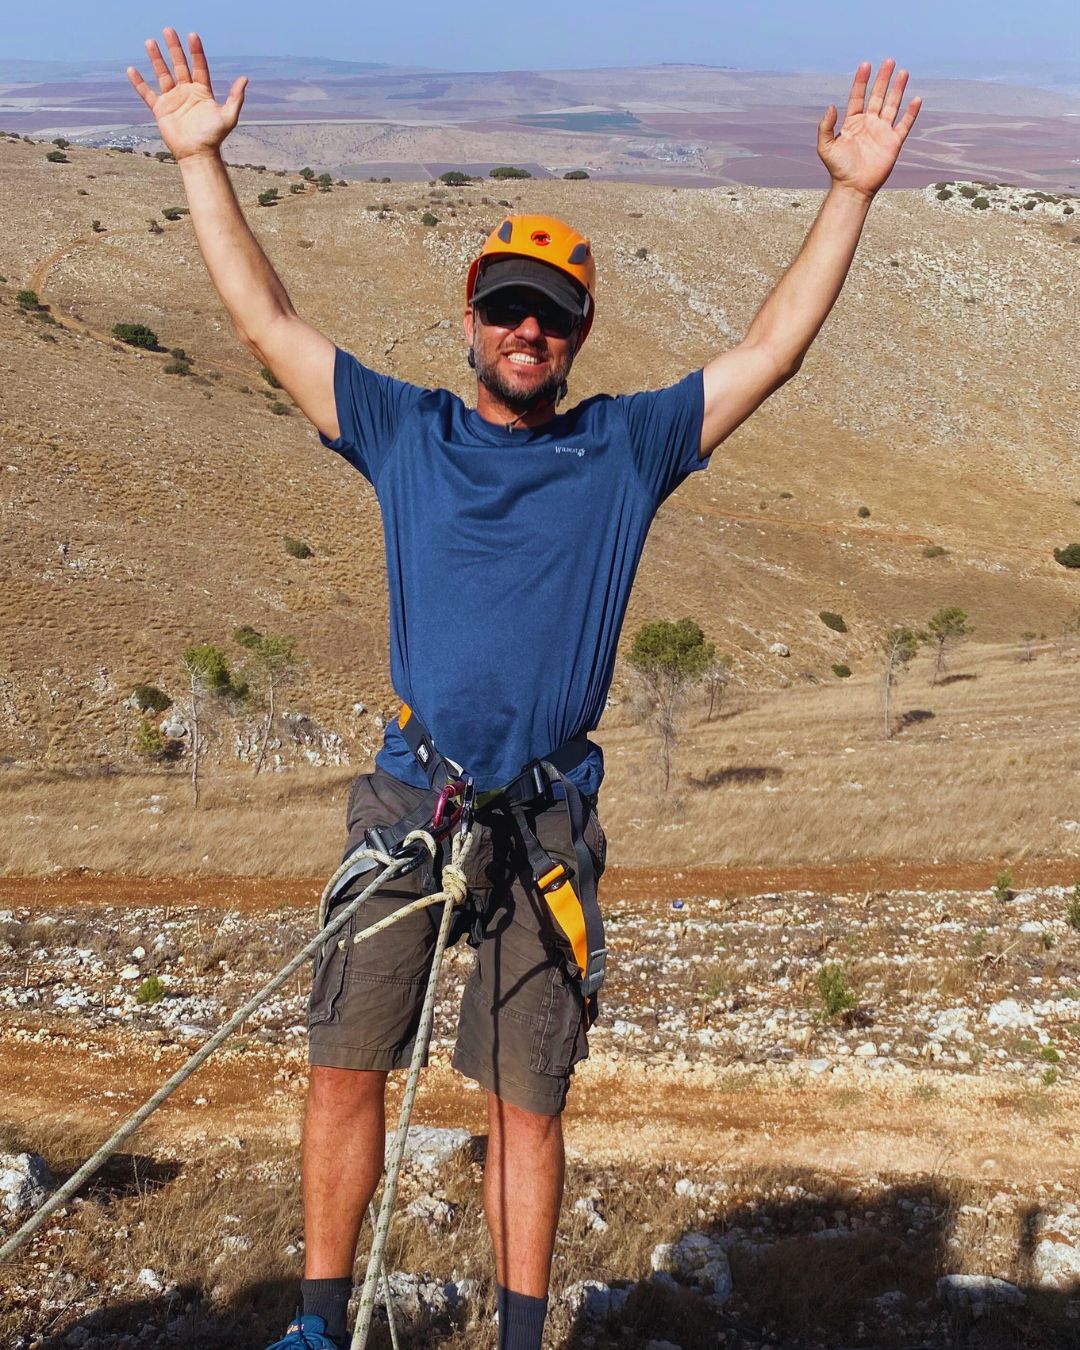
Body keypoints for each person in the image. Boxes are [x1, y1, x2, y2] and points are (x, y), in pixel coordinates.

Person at [127, 30, 920, 1350]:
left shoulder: (629, 445)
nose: (526, 330)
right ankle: (321, 1325)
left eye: (549, 312)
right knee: (342, 1068)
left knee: (526, 1102)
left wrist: (850, 193)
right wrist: (203, 160)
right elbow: (266, 323)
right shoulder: (403, 430)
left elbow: (770, 350)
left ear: (579, 334)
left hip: (546, 818)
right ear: (471, 318)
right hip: (409, 798)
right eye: (505, 305)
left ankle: (514, 1335)